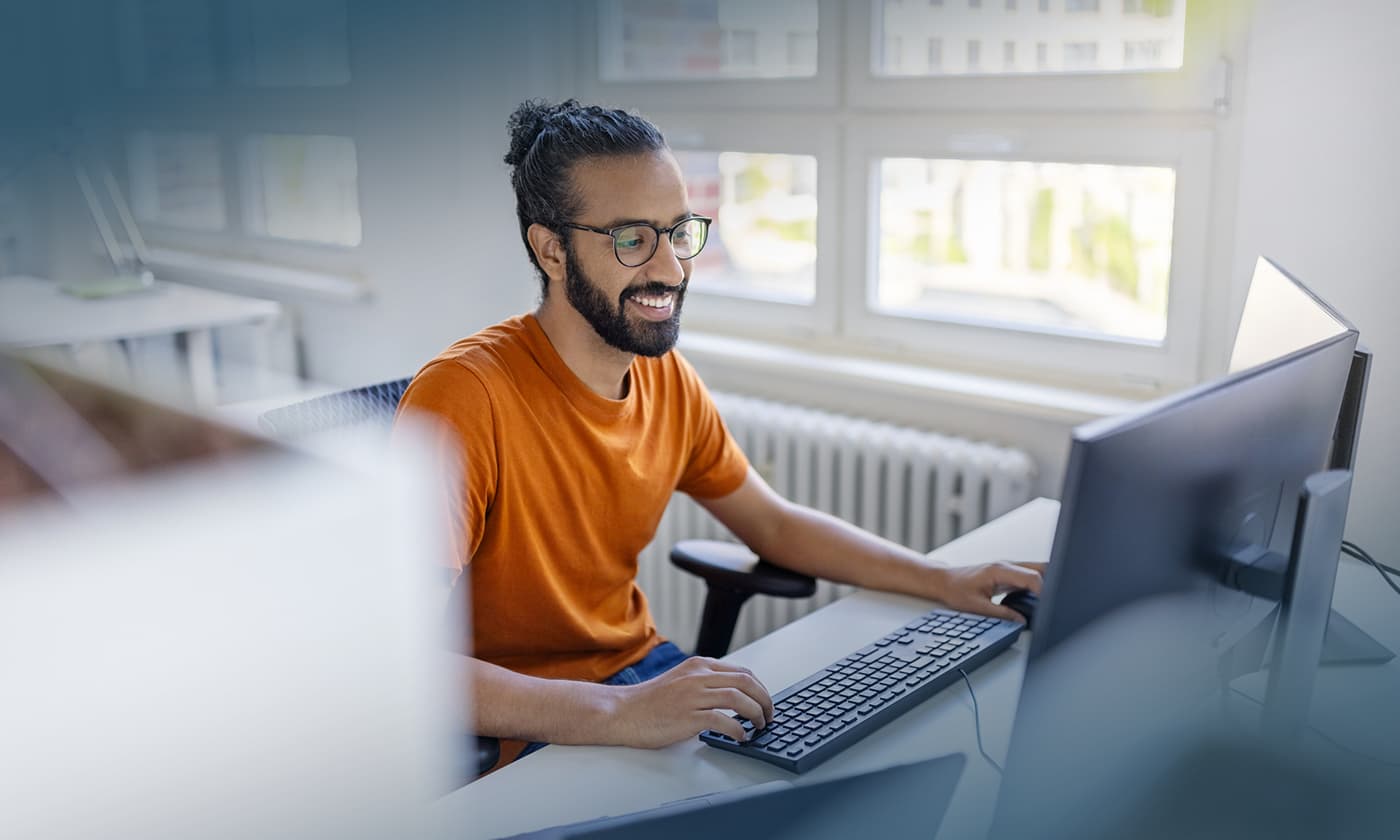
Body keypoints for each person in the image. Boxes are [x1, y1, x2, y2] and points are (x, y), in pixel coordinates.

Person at [395, 99, 1044, 770]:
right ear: (552, 250)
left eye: (679, 231)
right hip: (523, 719)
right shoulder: (462, 399)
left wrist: (942, 579)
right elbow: (391, 660)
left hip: (639, 673)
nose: (673, 269)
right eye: (631, 239)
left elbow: (774, 525)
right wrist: (618, 713)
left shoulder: (667, 378)